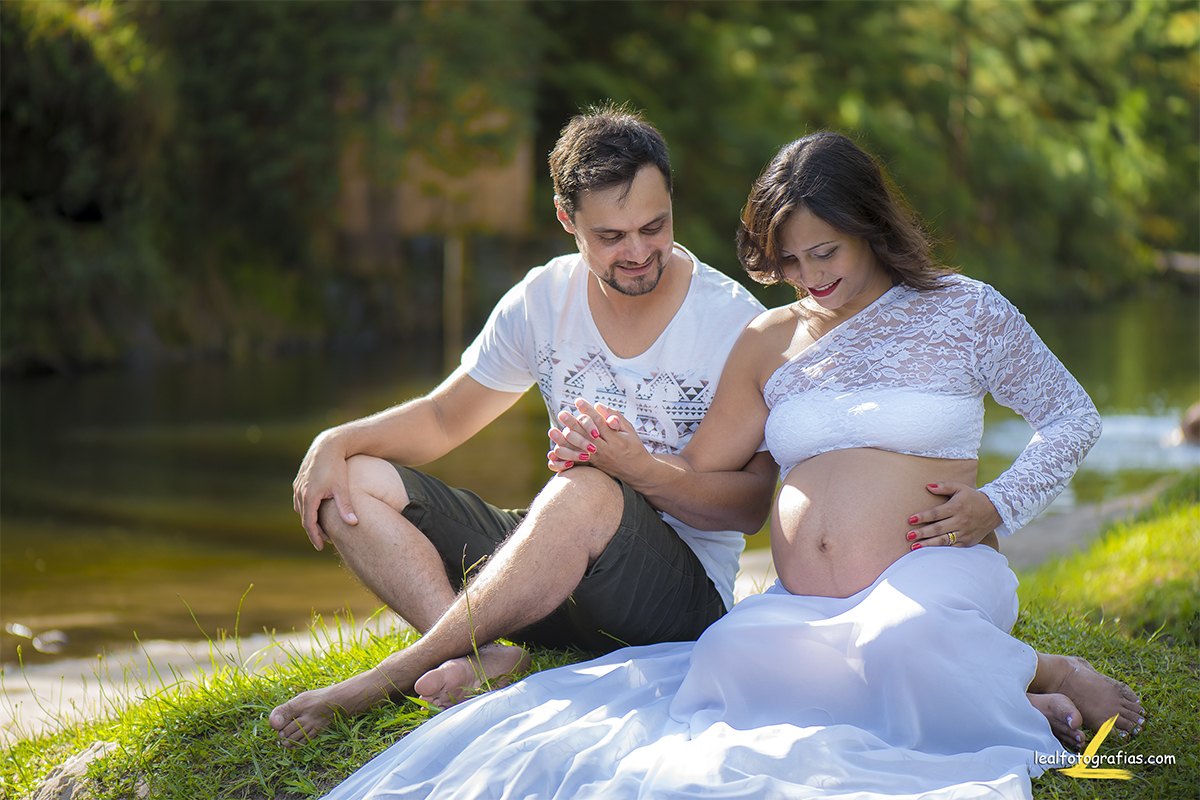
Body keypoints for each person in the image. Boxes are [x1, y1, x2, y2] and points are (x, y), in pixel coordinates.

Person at [313, 132, 1143, 800]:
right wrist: (612, 459)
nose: (810, 280)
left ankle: (1046, 670)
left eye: (827, 253)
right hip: (805, 600)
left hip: (935, 567)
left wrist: (997, 503)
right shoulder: (769, 339)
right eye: (789, 262)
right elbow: (696, 475)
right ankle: (1003, 684)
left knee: (898, 642)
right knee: (724, 667)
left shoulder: (963, 309)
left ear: (870, 225)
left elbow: (1073, 416)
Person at [269, 104, 778, 746]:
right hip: (551, 578)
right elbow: (442, 417)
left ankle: (398, 670)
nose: (638, 252)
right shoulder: (543, 298)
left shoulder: (735, 323)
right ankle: (468, 656)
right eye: (611, 236)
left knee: (587, 488)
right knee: (358, 479)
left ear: (672, 201)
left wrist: (636, 470)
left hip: (676, 602)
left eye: (654, 226)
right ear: (567, 220)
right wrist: (333, 440)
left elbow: (752, 506)